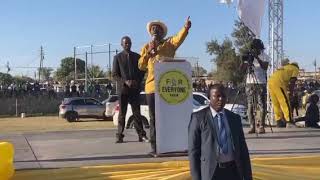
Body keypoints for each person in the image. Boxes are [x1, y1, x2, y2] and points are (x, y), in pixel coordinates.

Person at [138, 17, 191, 155]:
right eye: (153, 29)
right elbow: (141, 66)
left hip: (167, 88)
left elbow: (179, 38)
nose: (155, 30)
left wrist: (185, 27)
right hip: (151, 88)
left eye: (158, 29)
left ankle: (173, 145)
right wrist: (149, 53)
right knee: (154, 118)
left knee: (170, 117)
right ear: (150, 32)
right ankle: (155, 147)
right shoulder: (145, 47)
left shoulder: (169, 44)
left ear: (163, 32)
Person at [188, 84, 252, 180]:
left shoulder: (234, 118)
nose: (221, 99)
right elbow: (193, 152)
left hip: (233, 171)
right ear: (209, 98)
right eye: (217, 96)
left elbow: (243, 149)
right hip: (211, 172)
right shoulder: (198, 118)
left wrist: (247, 176)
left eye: (223, 96)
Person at [112, 36, 148, 143]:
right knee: (122, 113)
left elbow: (142, 71)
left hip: (135, 89)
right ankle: (119, 136)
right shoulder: (117, 57)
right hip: (123, 90)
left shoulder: (137, 56)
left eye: (129, 43)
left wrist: (137, 81)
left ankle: (141, 135)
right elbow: (114, 75)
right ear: (122, 45)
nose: (128, 45)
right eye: (125, 43)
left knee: (137, 113)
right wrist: (125, 81)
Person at [242, 39, 269, 134]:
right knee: (250, 105)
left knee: (261, 104)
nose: (255, 50)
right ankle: (252, 126)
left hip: (261, 82)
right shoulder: (249, 56)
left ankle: (261, 126)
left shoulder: (264, 56)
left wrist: (257, 58)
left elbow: (265, 67)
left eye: (257, 48)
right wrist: (245, 61)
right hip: (249, 83)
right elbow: (242, 70)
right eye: (253, 48)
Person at [267, 63, 300, 128]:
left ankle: (279, 122)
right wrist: (291, 93)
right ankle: (289, 121)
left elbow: (286, 80)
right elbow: (292, 81)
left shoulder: (285, 67)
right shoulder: (295, 69)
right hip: (279, 83)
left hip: (270, 82)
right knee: (285, 102)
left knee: (276, 104)